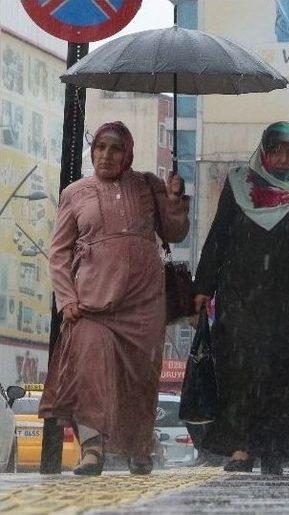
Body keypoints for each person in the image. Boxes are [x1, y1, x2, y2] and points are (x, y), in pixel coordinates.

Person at [40, 121, 190, 476]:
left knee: (140, 380)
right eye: (100, 148)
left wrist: (173, 200)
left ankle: (139, 449)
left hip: (144, 304)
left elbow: (175, 233)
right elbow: (58, 253)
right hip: (92, 304)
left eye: (115, 149)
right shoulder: (75, 193)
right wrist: (67, 298)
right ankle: (92, 450)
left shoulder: (147, 185)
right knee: (91, 374)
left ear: (128, 154)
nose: (106, 155)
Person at [192, 122, 289, 475]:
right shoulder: (241, 182)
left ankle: (275, 449)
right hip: (241, 293)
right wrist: (202, 286)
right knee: (240, 369)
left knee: (282, 371)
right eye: (277, 151)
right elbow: (219, 234)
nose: (283, 159)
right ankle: (240, 447)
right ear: (265, 150)